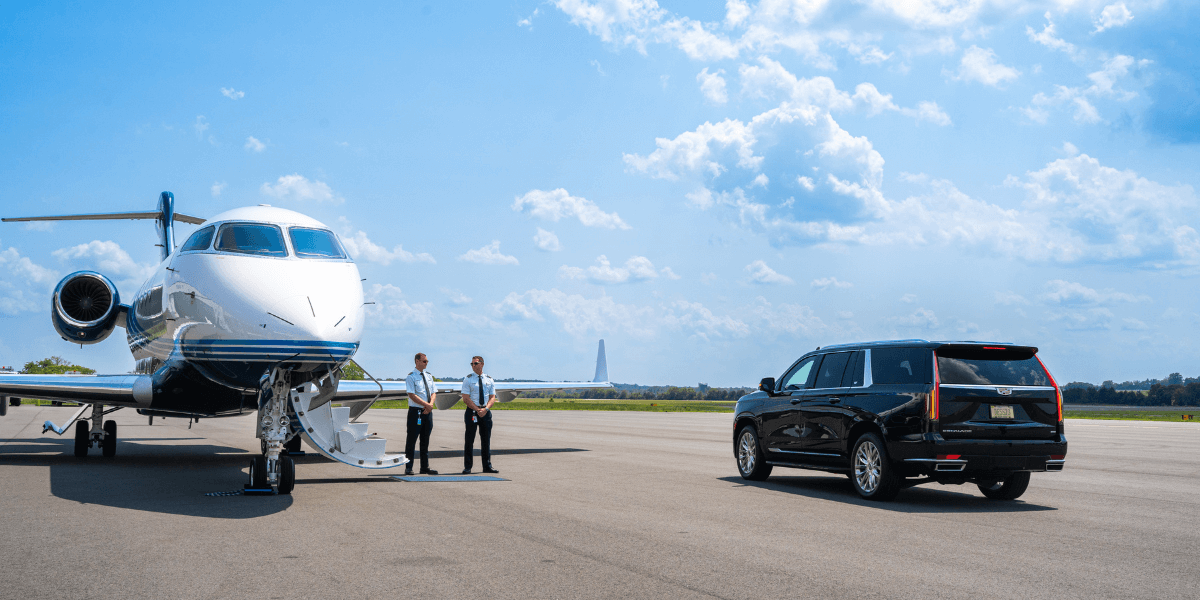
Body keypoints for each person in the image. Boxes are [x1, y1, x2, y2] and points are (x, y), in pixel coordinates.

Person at [461, 355, 499, 474]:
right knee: (469, 440)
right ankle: (468, 467)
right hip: (472, 412)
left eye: (475, 363)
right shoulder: (468, 379)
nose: (473, 366)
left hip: (486, 413)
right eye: (472, 364)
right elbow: (465, 398)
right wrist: (477, 410)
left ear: (482, 364)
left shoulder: (489, 379)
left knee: (486, 440)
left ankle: (487, 466)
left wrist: (486, 409)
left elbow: (492, 397)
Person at [403, 352, 438, 475]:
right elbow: (412, 395)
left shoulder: (429, 376)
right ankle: (408, 467)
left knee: (425, 440)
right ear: (417, 361)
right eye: (424, 361)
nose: (426, 363)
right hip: (416, 412)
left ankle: (424, 467)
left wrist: (430, 405)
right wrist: (426, 405)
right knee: (411, 441)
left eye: (427, 361)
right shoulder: (411, 377)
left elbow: (433, 392)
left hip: (427, 412)